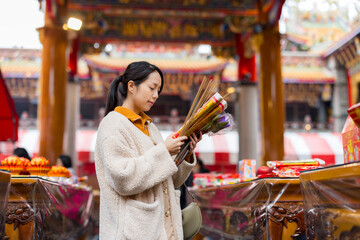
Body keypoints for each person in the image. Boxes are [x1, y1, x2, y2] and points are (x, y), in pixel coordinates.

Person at [94, 61, 202, 239]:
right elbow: (123, 178)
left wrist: (186, 152)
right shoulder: (112, 124)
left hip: (160, 229)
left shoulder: (150, 127)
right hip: (133, 232)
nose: (156, 95)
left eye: (158, 90)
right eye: (152, 88)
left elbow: (169, 180)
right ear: (131, 86)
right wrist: (164, 151)